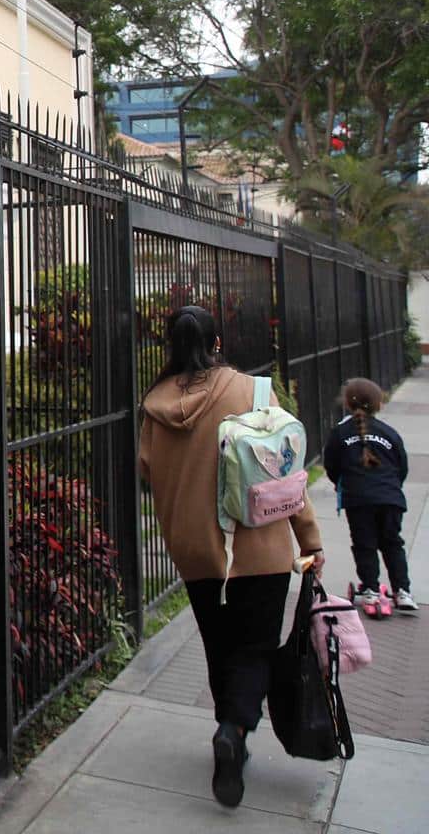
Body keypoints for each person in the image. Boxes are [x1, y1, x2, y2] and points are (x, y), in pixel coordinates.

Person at [139, 305, 323, 809]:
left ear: (172, 346)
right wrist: (310, 540)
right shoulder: (253, 393)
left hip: (197, 551)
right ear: (216, 343)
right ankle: (233, 729)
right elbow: (285, 472)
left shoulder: (155, 405)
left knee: (219, 647)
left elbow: (147, 472)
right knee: (255, 648)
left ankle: (230, 735)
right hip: (259, 549)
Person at [323, 377, 414, 611]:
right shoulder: (389, 433)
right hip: (390, 498)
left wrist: (341, 483)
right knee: (393, 543)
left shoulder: (340, 433)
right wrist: (392, 487)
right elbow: (402, 466)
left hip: (358, 499)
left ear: (347, 403)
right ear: (379, 404)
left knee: (365, 544)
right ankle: (402, 591)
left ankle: (371, 589)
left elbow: (331, 465)